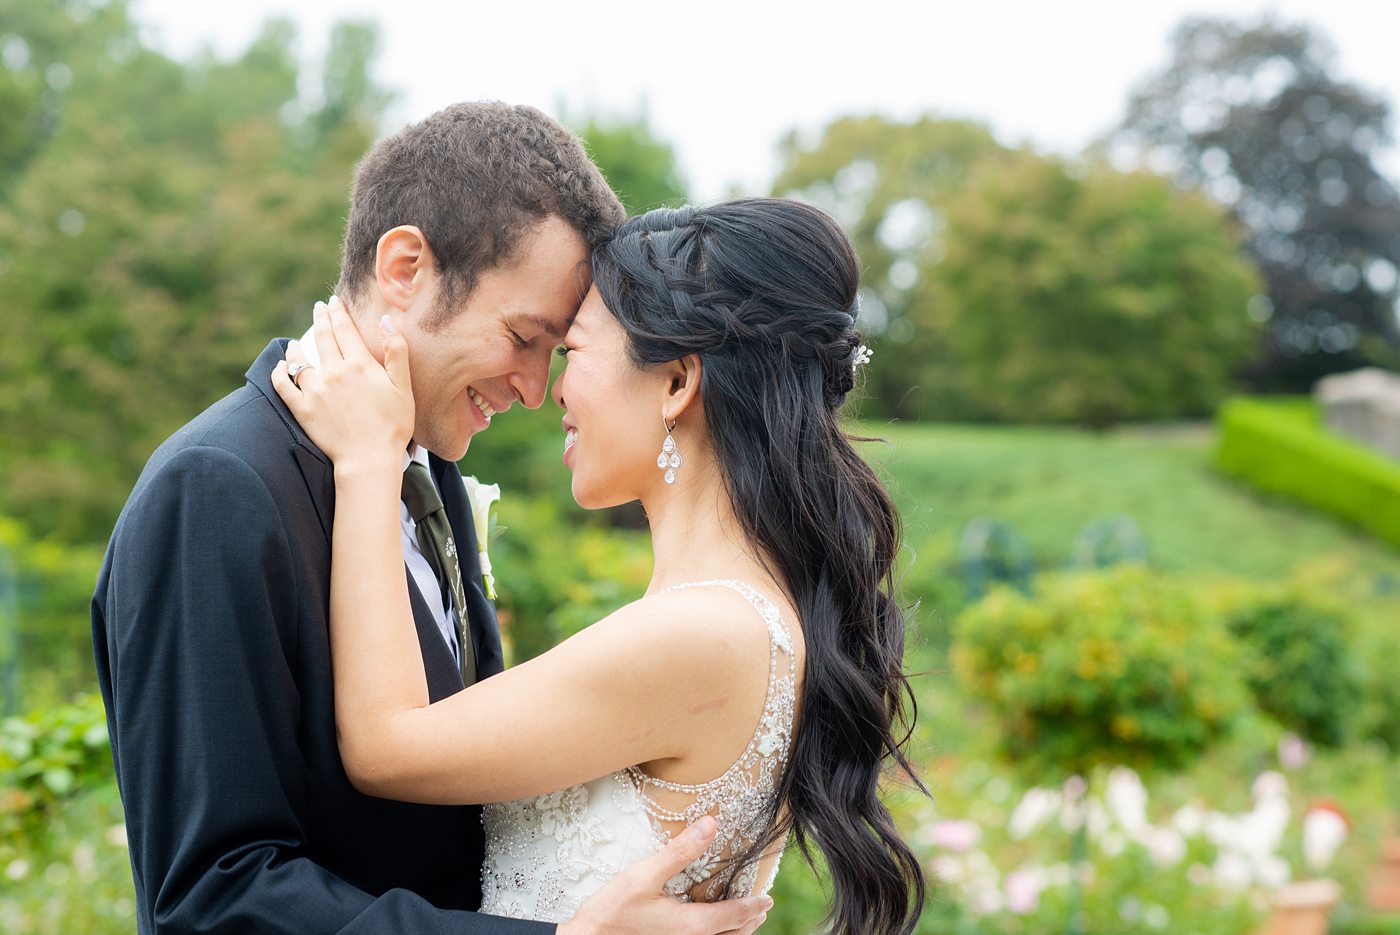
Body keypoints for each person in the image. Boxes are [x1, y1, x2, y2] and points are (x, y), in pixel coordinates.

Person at [92, 101, 772, 935]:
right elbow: (209, 898)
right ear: (406, 266)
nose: (533, 388)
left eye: (555, 354)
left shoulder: (428, 470)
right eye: (523, 336)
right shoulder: (218, 486)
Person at [273, 198, 928, 934]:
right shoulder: (746, 612)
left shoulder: (702, 631)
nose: (550, 387)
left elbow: (385, 747)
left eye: (574, 351)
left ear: (678, 382)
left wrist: (368, 462)